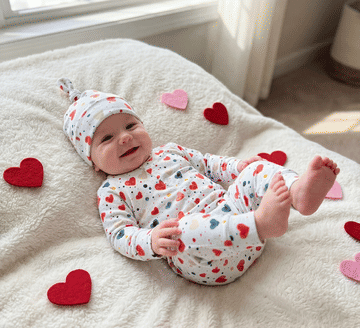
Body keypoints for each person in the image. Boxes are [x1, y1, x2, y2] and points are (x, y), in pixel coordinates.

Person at [57, 78, 340, 286]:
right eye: (106, 138)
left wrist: (238, 167)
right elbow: (119, 234)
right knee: (184, 228)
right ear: (91, 161)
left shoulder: (169, 151)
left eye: (131, 126)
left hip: (238, 222)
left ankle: (298, 192)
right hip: (204, 258)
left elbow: (209, 164)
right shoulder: (112, 191)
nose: (126, 137)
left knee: (257, 170)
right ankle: (262, 224)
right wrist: (151, 241)